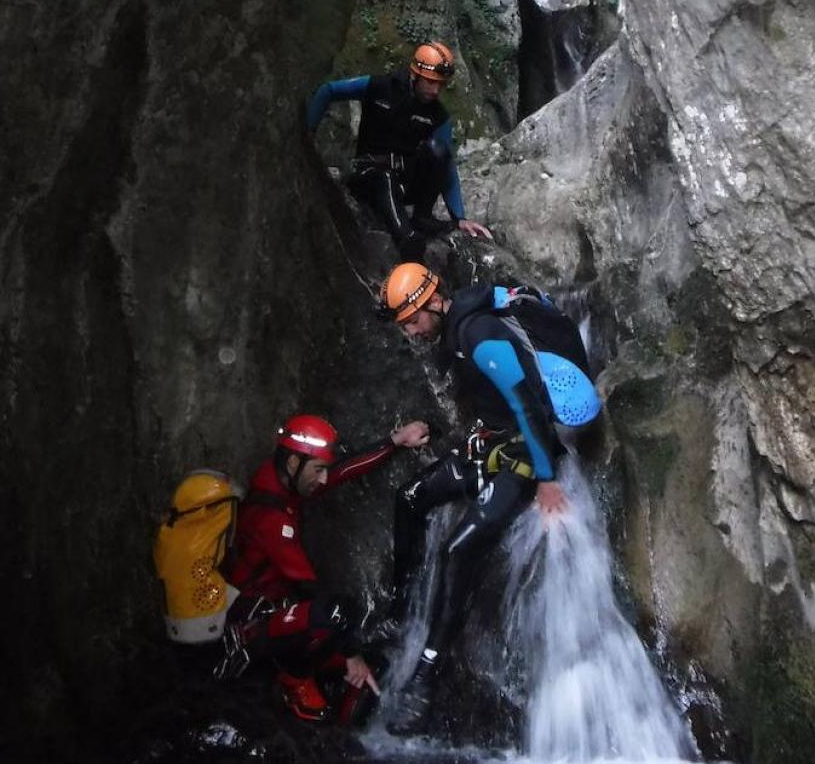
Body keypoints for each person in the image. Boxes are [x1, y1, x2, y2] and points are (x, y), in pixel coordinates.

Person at [377, 263, 601, 734]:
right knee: (410, 497)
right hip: (491, 442)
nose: (413, 332)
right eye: (406, 325)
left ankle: (426, 676)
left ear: (434, 302)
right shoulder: (458, 322)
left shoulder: (479, 335)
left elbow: (526, 406)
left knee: (458, 548)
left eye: (414, 321)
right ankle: (398, 610)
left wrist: (545, 479)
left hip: (525, 452)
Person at [224, 413, 430, 722]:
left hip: (278, 610)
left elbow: (341, 471)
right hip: (250, 627)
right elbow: (310, 590)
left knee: (375, 660)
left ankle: (347, 729)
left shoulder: (282, 477)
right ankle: (293, 679)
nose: (322, 479)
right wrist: (350, 654)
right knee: (334, 612)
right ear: (294, 464)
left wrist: (394, 442)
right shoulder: (271, 517)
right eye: (317, 470)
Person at [306, 41, 493, 262]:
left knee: (437, 150)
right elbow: (329, 91)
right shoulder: (380, 87)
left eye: (440, 85)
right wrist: (307, 134)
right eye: (430, 82)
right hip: (367, 177)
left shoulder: (437, 115)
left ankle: (422, 217)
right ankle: (406, 238)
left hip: (404, 182)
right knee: (383, 176)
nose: (435, 91)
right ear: (415, 74)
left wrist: (459, 217)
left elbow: (446, 164)